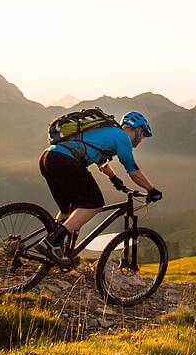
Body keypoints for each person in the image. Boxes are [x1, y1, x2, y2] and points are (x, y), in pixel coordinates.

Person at [35, 111, 162, 265]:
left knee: (69, 210)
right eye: (142, 136)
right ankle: (52, 243)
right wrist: (152, 190)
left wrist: (115, 180)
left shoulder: (108, 132)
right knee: (94, 204)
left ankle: (56, 250)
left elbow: (102, 163)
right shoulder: (122, 137)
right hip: (65, 160)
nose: (141, 140)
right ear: (138, 130)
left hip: (48, 158)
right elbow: (133, 171)